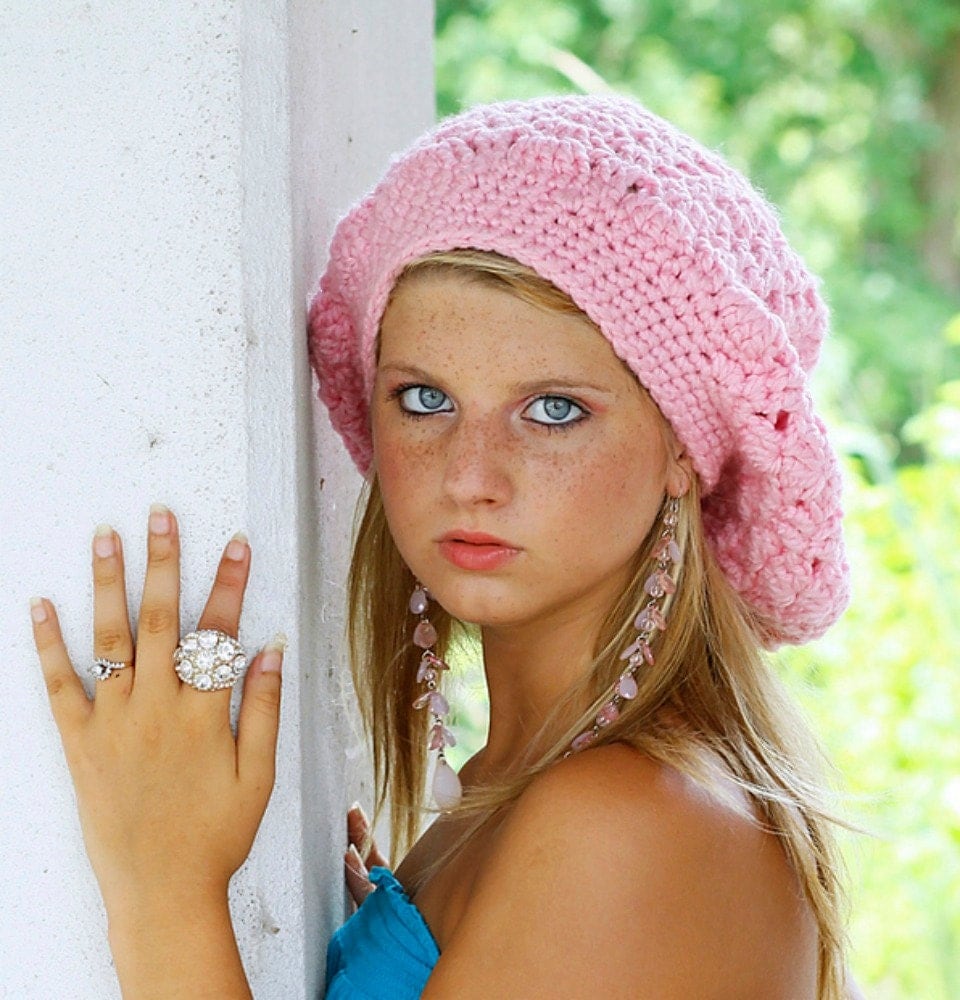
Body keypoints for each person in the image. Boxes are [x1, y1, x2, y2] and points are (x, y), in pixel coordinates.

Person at [31, 94, 862, 998]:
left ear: (682, 451)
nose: (471, 476)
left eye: (554, 410)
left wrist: (161, 887)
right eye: (425, 400)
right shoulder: (535, 794)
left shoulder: (625, 823)